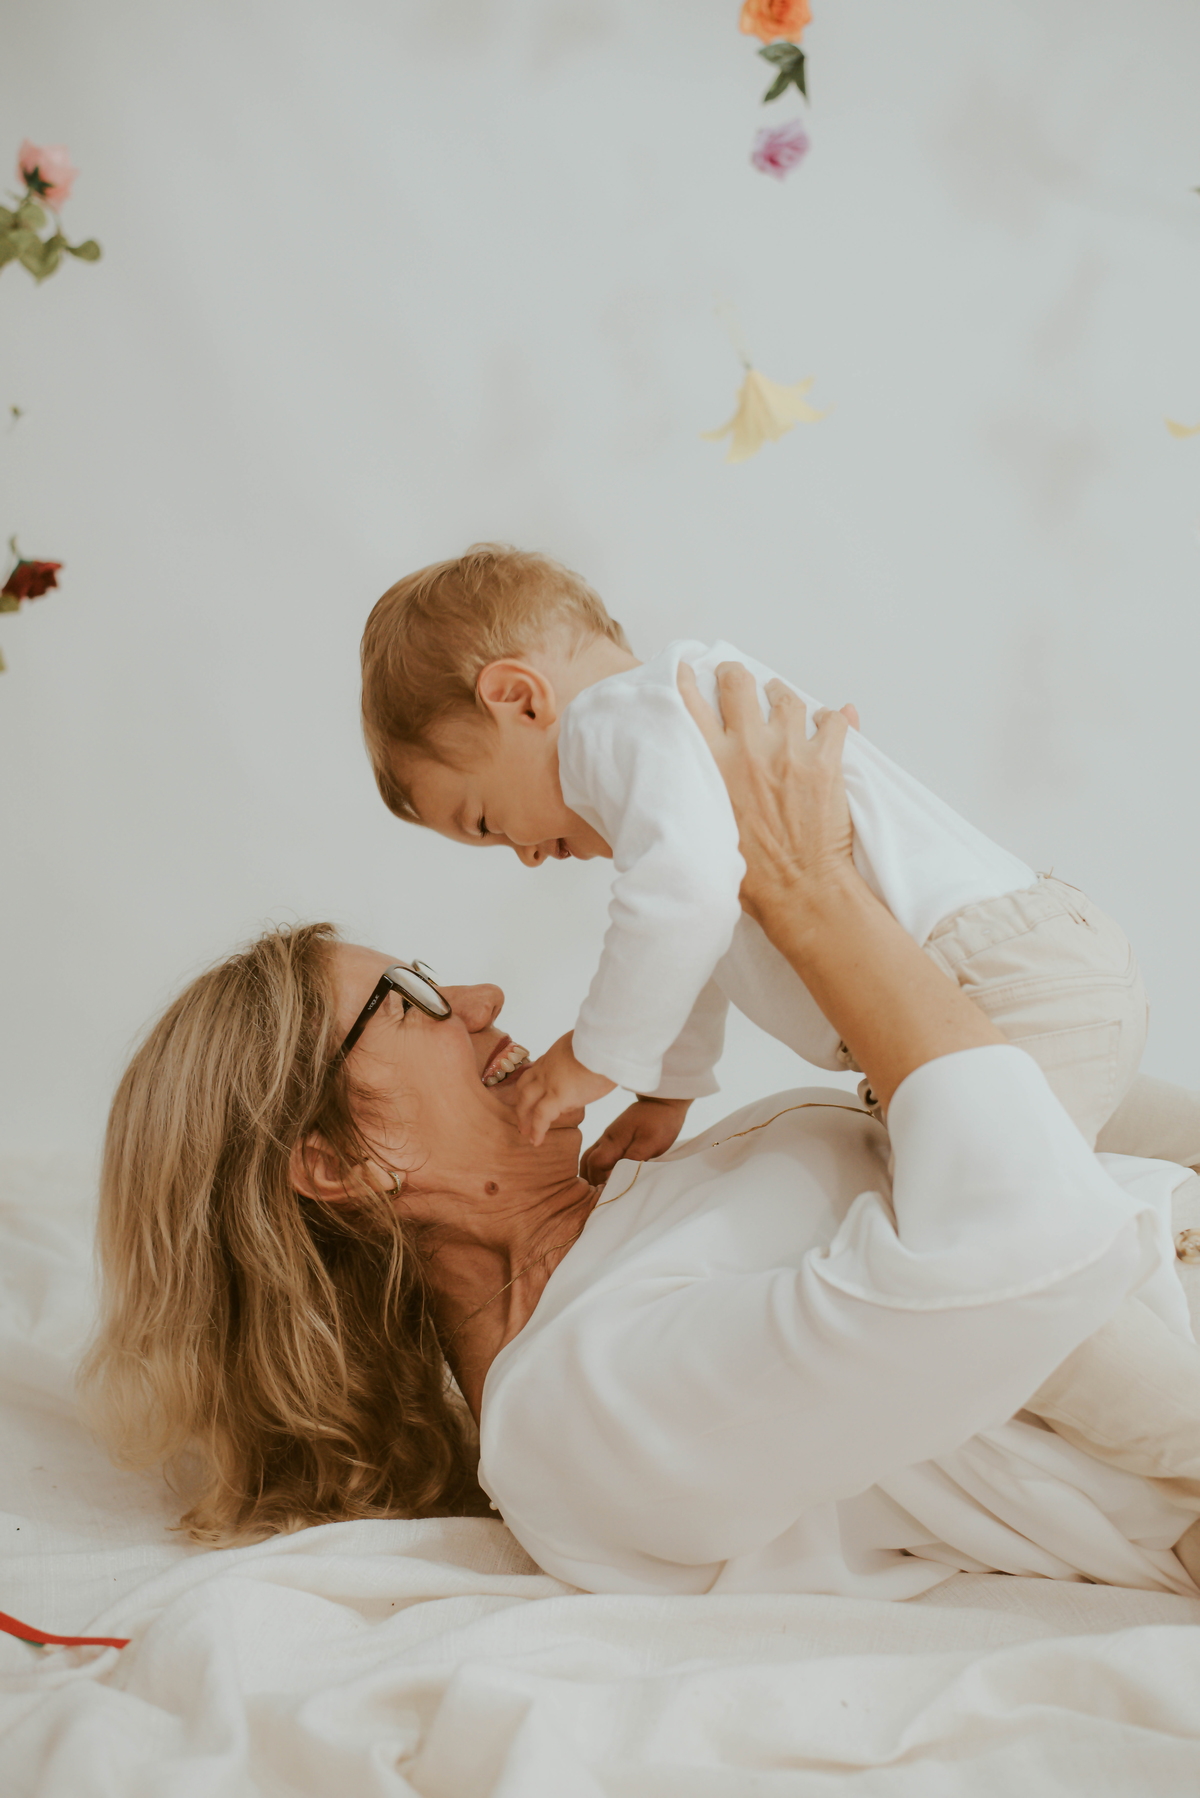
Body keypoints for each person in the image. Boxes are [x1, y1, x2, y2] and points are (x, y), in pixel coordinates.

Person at [84, 673, 1200, 1596]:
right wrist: (809, 894)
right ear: (341, 1163)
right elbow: (1019, 1256)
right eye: (409, 996)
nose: (477, 996)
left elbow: (1044, 1126)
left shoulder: (630, 1214)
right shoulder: (577, 1408)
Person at [358, 542, 1200, 1486]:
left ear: (519, 698)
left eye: (481, 819)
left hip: (987, 985)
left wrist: (594, 1057)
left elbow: (680, 901)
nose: (520, 853)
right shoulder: (675, 727)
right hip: (1030, 965)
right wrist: (669, 1088)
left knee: (999, 1282)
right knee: (1059, 1146)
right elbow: (705, 930)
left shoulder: (617, 725)